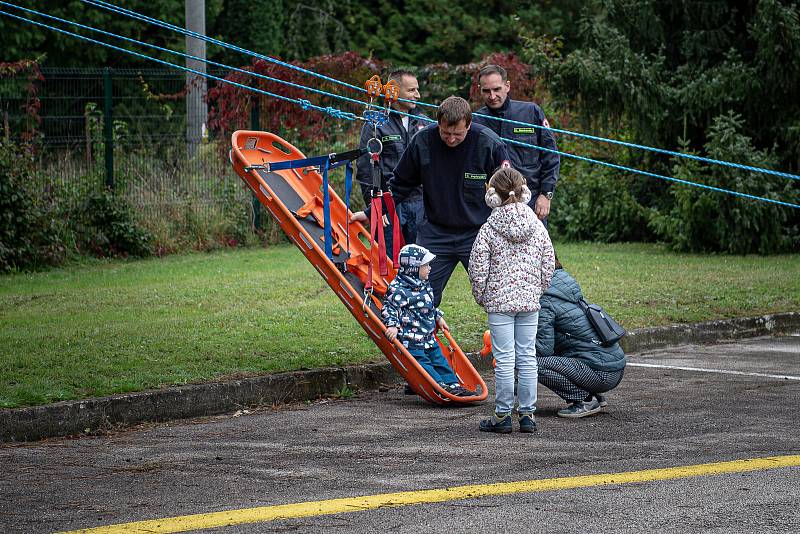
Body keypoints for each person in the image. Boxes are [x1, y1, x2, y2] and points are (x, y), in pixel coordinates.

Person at [355, 96, 510, 307]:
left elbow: (509, 191)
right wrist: (371, 211)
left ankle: (504, 338)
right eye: (446, 133)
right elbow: (399, 184)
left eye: (458, 134)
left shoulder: (488, 143)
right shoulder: (422, 141)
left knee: (498, 292)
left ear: (469, 124)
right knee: (419, 294)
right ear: (438, 123)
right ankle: (418, 337)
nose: (451, 139)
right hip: (435, 233)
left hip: (478, 233)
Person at [469, 168, 555, 433]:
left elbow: (477, 267)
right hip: (529, 302)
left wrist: (482, 296)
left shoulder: (488, 229)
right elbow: (548, 262)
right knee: (527, 356)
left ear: (492, 196)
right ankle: (527, 415)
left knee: (505, 358)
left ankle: (503, 415)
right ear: (524, 192)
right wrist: (537, 290)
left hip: (499, 304)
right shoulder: (537, 226)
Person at [535, 257, 626, 418]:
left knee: (529, 363)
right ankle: (594, 394)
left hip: (601, 373)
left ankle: (585, 399)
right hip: (612, 366)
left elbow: (543, 349)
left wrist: (514, 346)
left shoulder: (545, 299)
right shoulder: (563, 287)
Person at [382, 244, 474, 397]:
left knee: (440, 361)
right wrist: (392, 325)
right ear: (413, 268)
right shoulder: (398, 290)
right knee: (423, 364)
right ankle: (439, 386)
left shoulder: (424, 286)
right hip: (410, 340)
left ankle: (453, 385)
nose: (430, 268)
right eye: (425, 265)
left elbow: (428, 306)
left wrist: (438, 316)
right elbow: (389, 308)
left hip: (428, 337)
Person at [473, 64, 560, 225]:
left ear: (507, 86)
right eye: (486, 91)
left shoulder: (531, 112)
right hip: (491, 204)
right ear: (480, 90)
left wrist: (546, 194)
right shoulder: (476, 122)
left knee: (537, 250)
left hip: (530, 199)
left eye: (497, 89)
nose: (492, 96)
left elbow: (551, 156)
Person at [355, 69, 428, 252]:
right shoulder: (376, 123)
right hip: (389, 204)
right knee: (388, 262)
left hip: (420, 204)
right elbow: (366, 167)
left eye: (417, 90)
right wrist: (376, 207)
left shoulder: (425, 123)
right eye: (412, 90)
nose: (417, 95)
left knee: (418, 261)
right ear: (394, 91)